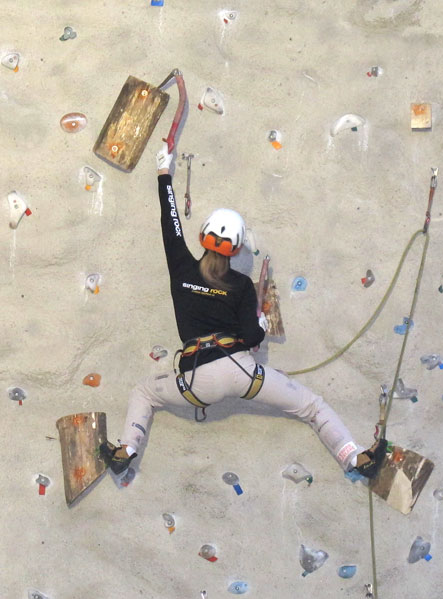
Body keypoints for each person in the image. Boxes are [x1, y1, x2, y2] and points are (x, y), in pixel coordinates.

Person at [99, 147, 387, 478]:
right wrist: (261, 323)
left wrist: (164, 173)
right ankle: (354, 458)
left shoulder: (182, 268)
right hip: (241, 372)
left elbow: (170, 221)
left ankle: (127, 450)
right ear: (236, 249)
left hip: (195, 379)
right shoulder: (241, 285)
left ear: (203, 236)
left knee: (144, 393)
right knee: (312, 407)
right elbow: (251, 337)